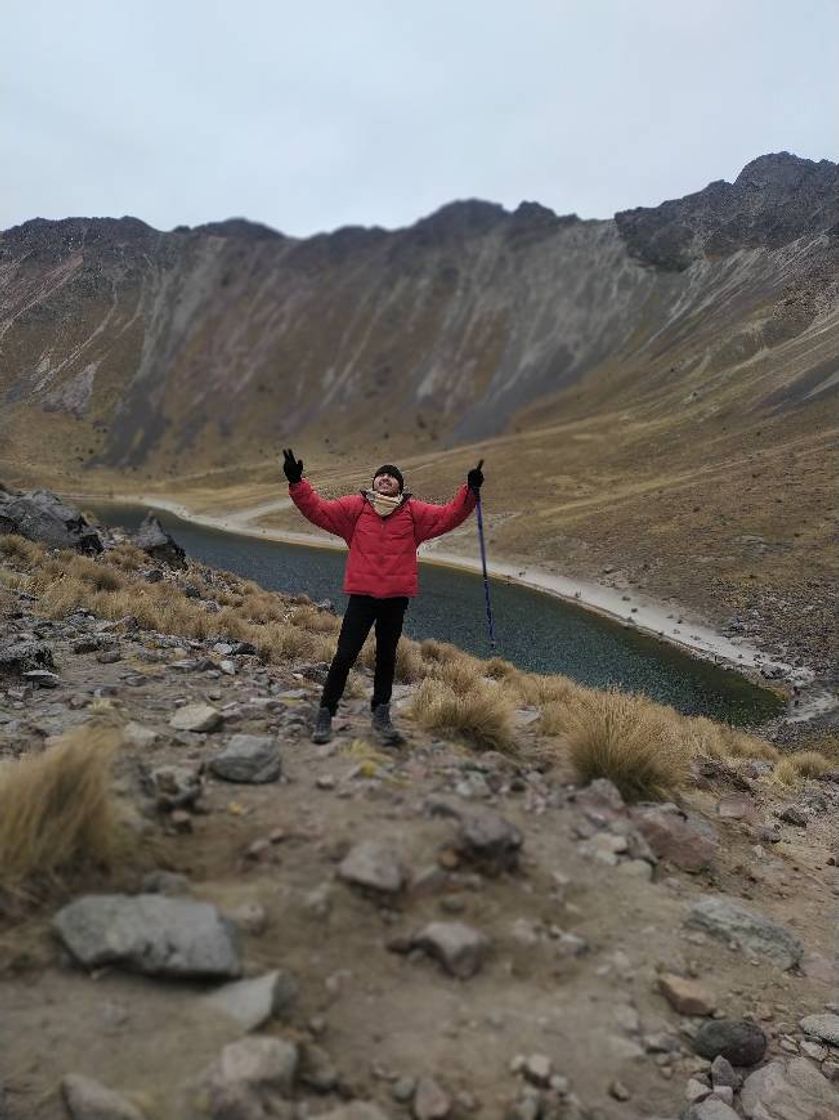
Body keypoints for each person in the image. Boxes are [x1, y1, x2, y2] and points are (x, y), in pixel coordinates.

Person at [281, 449, 485, 745]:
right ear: (374, 483)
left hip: (395, 599)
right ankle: (325, 713)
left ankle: (381, 714)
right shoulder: (354, 509)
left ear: (400, 486)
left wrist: (471, 491)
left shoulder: (414, 512)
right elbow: (318, 510)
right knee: (345, 655)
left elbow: (448, 516)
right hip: (362, 597)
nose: (386, 477)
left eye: (392, 476)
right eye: (381, 475)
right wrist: (297, 482)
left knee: (387, 658)